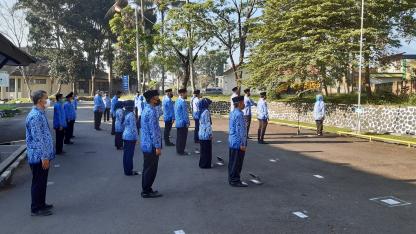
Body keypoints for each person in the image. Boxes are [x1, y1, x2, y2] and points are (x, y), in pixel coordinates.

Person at [26, 90, 55, 216]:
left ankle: (41, 204)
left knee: (42, 181)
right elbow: (38, 139)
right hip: (38, 156)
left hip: (43, 155)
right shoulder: (35, 116)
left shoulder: (40, 113)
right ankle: (36, 208)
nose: (48, 100)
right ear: (39, 101)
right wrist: (44, 157)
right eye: (46, 98)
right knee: (38, 182)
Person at [140, 90, 163, 198]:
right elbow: (154, 131)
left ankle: (147, 188)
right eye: (156, 97)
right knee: (151, 169)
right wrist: (157, 146)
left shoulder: (146, 109)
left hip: (145, 143)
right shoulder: (151, 111)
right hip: (151, 145)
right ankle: (146, 191)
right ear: (151, 99)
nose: (158, 99)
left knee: (147, 168)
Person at [228, 95, 248, 187]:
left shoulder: (233, 112)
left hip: (232, 141)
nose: (244, 104)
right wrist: (242, 144)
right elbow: (240, 130)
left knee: (232, 161)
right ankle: (235, 180)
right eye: (243, 102)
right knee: (237, 163)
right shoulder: (239, 114)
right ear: (239, 103)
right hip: (237, 142)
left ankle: (231, 178)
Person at [122, 100, 139, 176]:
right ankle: (129, 171)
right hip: (130, 136)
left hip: (125, 135)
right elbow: (133, 128)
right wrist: (136, 138)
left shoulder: (124, 113)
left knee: (126, 154)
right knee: (129, 154)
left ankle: (126, 170)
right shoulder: (131, 114)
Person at [198, 98, 213, 169]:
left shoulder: (200, 111)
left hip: (201, 133)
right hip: (206, 133)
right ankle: (206, 164)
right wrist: (210, 134)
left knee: (203, 150)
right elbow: (208, 124)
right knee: (207, 150)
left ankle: (202, 163)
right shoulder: (206, 111)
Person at [174, 88, 190, 155]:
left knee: (179, 137)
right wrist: (187, 122)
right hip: (183, 122)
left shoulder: (177, 101)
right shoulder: (183, 102)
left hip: (178, 121)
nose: (187, 94)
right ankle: (181, 151)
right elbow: (185, 113)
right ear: (182, 93)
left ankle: (179, 150)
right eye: (186, 93)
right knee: (183, 138)